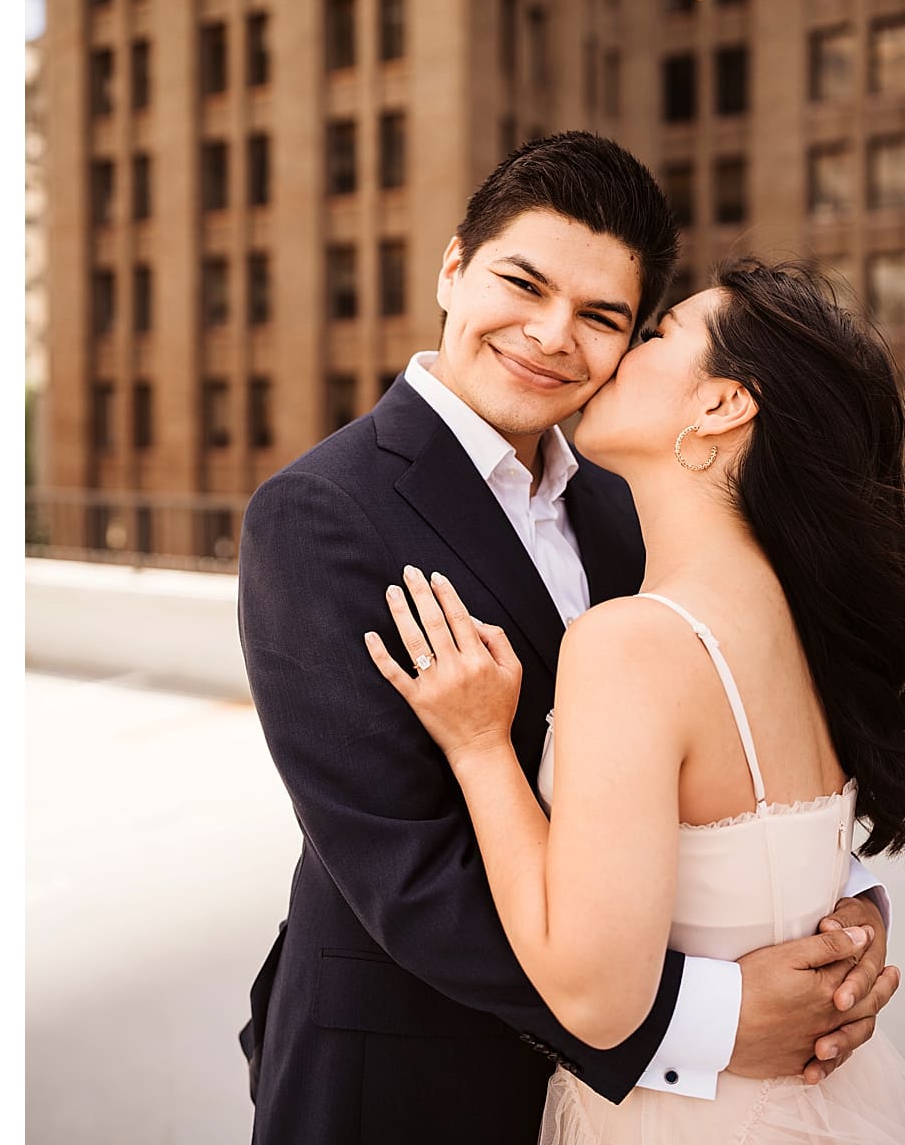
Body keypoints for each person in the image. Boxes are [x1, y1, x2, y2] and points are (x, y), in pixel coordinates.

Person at [236, 133, 897, 1145]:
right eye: (522, 284)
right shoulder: (321, 512)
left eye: (603, 318)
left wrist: (835, 904)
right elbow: (408, 867)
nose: (552, 335)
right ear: (454, 269)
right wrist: (704, 1023)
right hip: (416, 1076)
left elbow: (728, 746)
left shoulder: (635, 501)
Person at [371, 259, 905, 1141]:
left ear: (722, 405)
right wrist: (857, 923)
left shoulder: (633, 644)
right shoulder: (804, 620)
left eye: (657, 334)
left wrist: (479, 748)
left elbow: (595, 999)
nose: (615, 356)